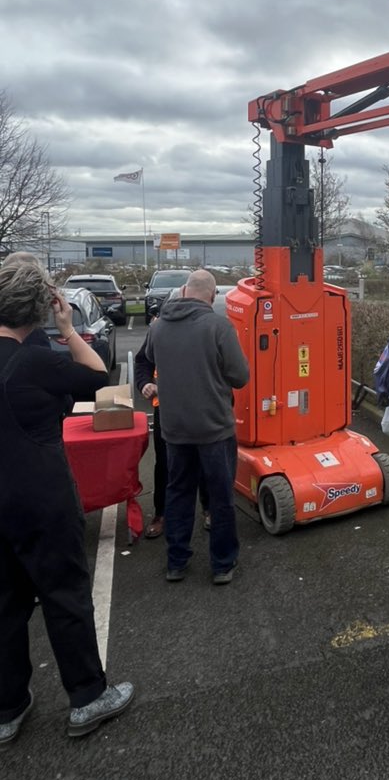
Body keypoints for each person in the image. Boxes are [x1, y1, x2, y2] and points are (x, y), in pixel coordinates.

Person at [0, 262, 134, 745]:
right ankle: (86, 697)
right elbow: (99, 377)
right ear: (39, 308)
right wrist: (68, 329)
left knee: (5, 604)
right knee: (65, 595)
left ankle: (8, 707)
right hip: (40, 499)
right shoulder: (34, 362)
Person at [143, 269, 249, 584]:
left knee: (178, 493)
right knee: (220, 497)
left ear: (186, 292)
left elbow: (149, 359)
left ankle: (176, 561)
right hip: (214, 429)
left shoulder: (159, 328)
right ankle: (222, 564)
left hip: (175, 429)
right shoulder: (219, 327)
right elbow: (240, 377)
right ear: (212, 296)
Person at [135, 329, 210, 539]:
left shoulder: (207, 328)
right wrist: (144, 384)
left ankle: (209, 507)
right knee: (165, 463)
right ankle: (161, 513)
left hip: (202, 407)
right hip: (167, 409)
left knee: (204, 459)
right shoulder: (159, 331)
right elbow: (143, 362)